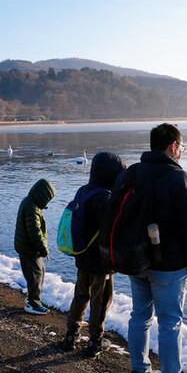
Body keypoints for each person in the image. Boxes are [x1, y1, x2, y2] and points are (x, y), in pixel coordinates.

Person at [118, 123, 187, 373]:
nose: (181, 152)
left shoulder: (132, 173)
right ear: (173, 147)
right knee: (170, 322)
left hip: (137, 261)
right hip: (170, 266)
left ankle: (139, 372)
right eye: (182, 147)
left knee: (139, 316)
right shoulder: (179, 179)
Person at [63, 151, 127, 357]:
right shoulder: (105, 198)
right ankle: (95, 341)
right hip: (101, 262)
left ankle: (71, 335)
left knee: (80, 295)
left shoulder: (83, 191)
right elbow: (113, 229)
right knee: (101, 300)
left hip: (81, 256)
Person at [14, 178, 56, 314]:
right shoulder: (32, 208)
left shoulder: (30, 203)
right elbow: (35, 233)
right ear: (42, 196)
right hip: (29, 249)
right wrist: (44, 250)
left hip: (28, 247)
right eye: (47, 199)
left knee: (40, 271)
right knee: (35, 275)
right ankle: (33, 303)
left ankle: (34, 298)